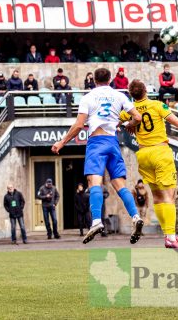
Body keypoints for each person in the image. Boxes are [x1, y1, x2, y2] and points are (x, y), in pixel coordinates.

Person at [52, 68, 143, 245]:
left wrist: (62, 142)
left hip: (96, 143)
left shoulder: (88, 97)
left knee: (94, 182)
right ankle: (135, 216)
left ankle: (96, 221)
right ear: (110, 79)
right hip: (113, 143)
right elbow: (138, 117)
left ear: (94, 80)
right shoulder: (119, 95)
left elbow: (79, 125)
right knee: (119, 185)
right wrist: (125, 124)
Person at [120, 79, 178, 252]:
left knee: (158, 197)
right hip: (160, 153)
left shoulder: (129, 110)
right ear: (146, 90)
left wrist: (129, 124)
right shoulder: (156, 105)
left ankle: (167, 234)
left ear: (131, 95)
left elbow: (118, 122)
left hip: (143, 155)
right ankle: (170, 237)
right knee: (169, 195)